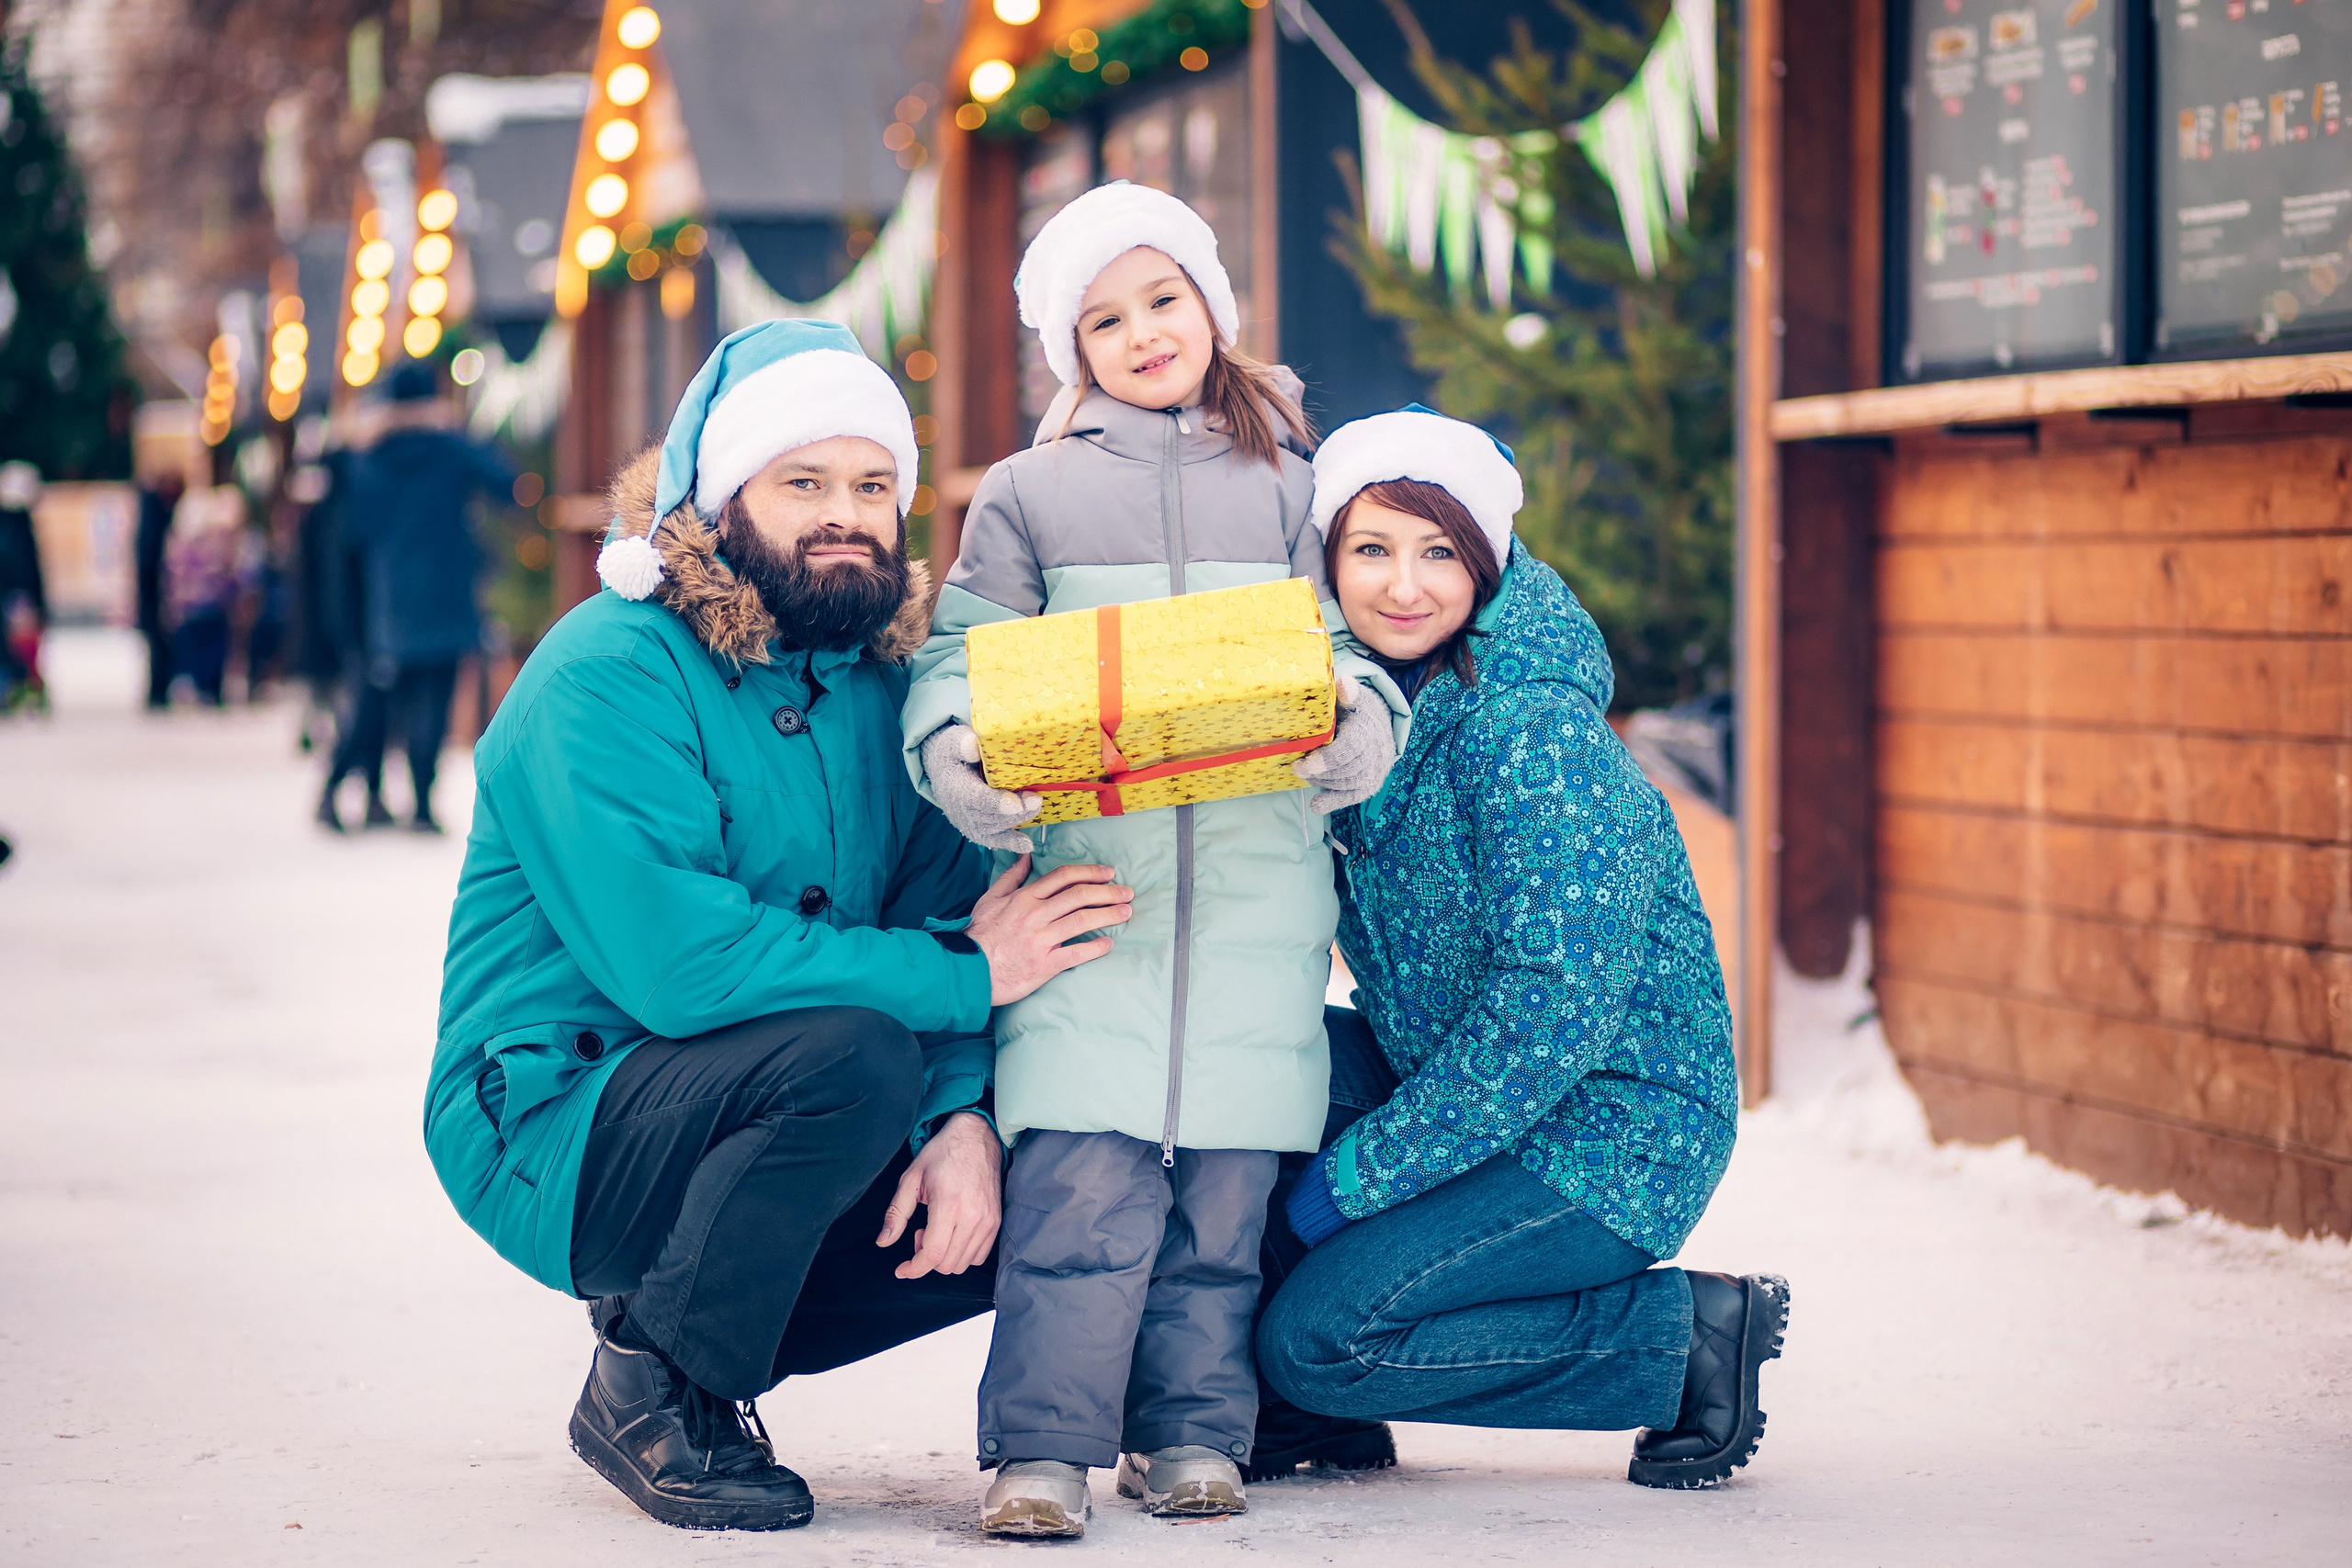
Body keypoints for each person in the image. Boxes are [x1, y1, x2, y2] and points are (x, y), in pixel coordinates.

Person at [424, 319, 1138, 1534]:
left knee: (1058, 1139)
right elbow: (683, 965)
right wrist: (968, 977)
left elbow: (947, 908)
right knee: (849, 1053)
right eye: (802, 481)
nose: (842, 514)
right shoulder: (607, 671)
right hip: (561, 1112)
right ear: (722, 497)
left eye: (872, 485)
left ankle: (719, 1316)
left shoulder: (878, 688)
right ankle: (657, 1379)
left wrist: (963, 1115)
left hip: (776, 1099)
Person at [900, 182, 1401, 1538]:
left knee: (1221, 1214)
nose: (1140, 333)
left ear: (1213, 308)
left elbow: (1353, 656)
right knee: (1079, 1193)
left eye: (1162, 298)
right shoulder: (1029, 496)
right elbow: (959, 663)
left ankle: (1190, 1429)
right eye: (1103, 318)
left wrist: (1347, 728)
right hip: (1092, 905)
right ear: (1075, 351)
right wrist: (967, 758)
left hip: (1253, 903)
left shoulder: (1296, 488)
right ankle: (1044, 1448)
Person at [1252, 407, 1787, 1492]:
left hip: (1611, 1125)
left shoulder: (1528, 729)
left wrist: (1352, 1183)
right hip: (1462, 1077)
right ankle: (1310, 1418)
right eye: (1372, 550)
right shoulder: (1363, 712)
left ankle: (1677, 1337)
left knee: (1324, 1338)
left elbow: (1550, 1011)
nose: (1404, 586)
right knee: (1250, 1060)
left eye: (1438, 551)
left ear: (1486, 560)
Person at [317, 362, 514, 832]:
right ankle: (421, 804)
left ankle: (344, 790)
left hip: (388, 598)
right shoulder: (450, 449)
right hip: (447, 594)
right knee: (435, 699)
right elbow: (506, 482)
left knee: (377, 699)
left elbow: (353, 524)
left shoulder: (368, 457)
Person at [164, 486, 249, 707]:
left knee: (200, 650)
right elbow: (227, 575)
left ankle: (201, 686)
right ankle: (206, 687)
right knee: (208, 650)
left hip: (196, 607)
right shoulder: (211, 543)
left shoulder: (181, 544)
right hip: (207, 606)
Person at [134, 469, 186, 709]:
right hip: (156, 590)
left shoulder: (151, 512)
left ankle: (159, 690)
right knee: (158, 641)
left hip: (155, 589)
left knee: (157, 642)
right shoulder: (157, 515)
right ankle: (158, 691)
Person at [0, 462, 45, 714]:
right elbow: (24, 567)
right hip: (15, 597)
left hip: (14, 596)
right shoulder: (15, 526)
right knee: (17, 650)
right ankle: (17, 688)